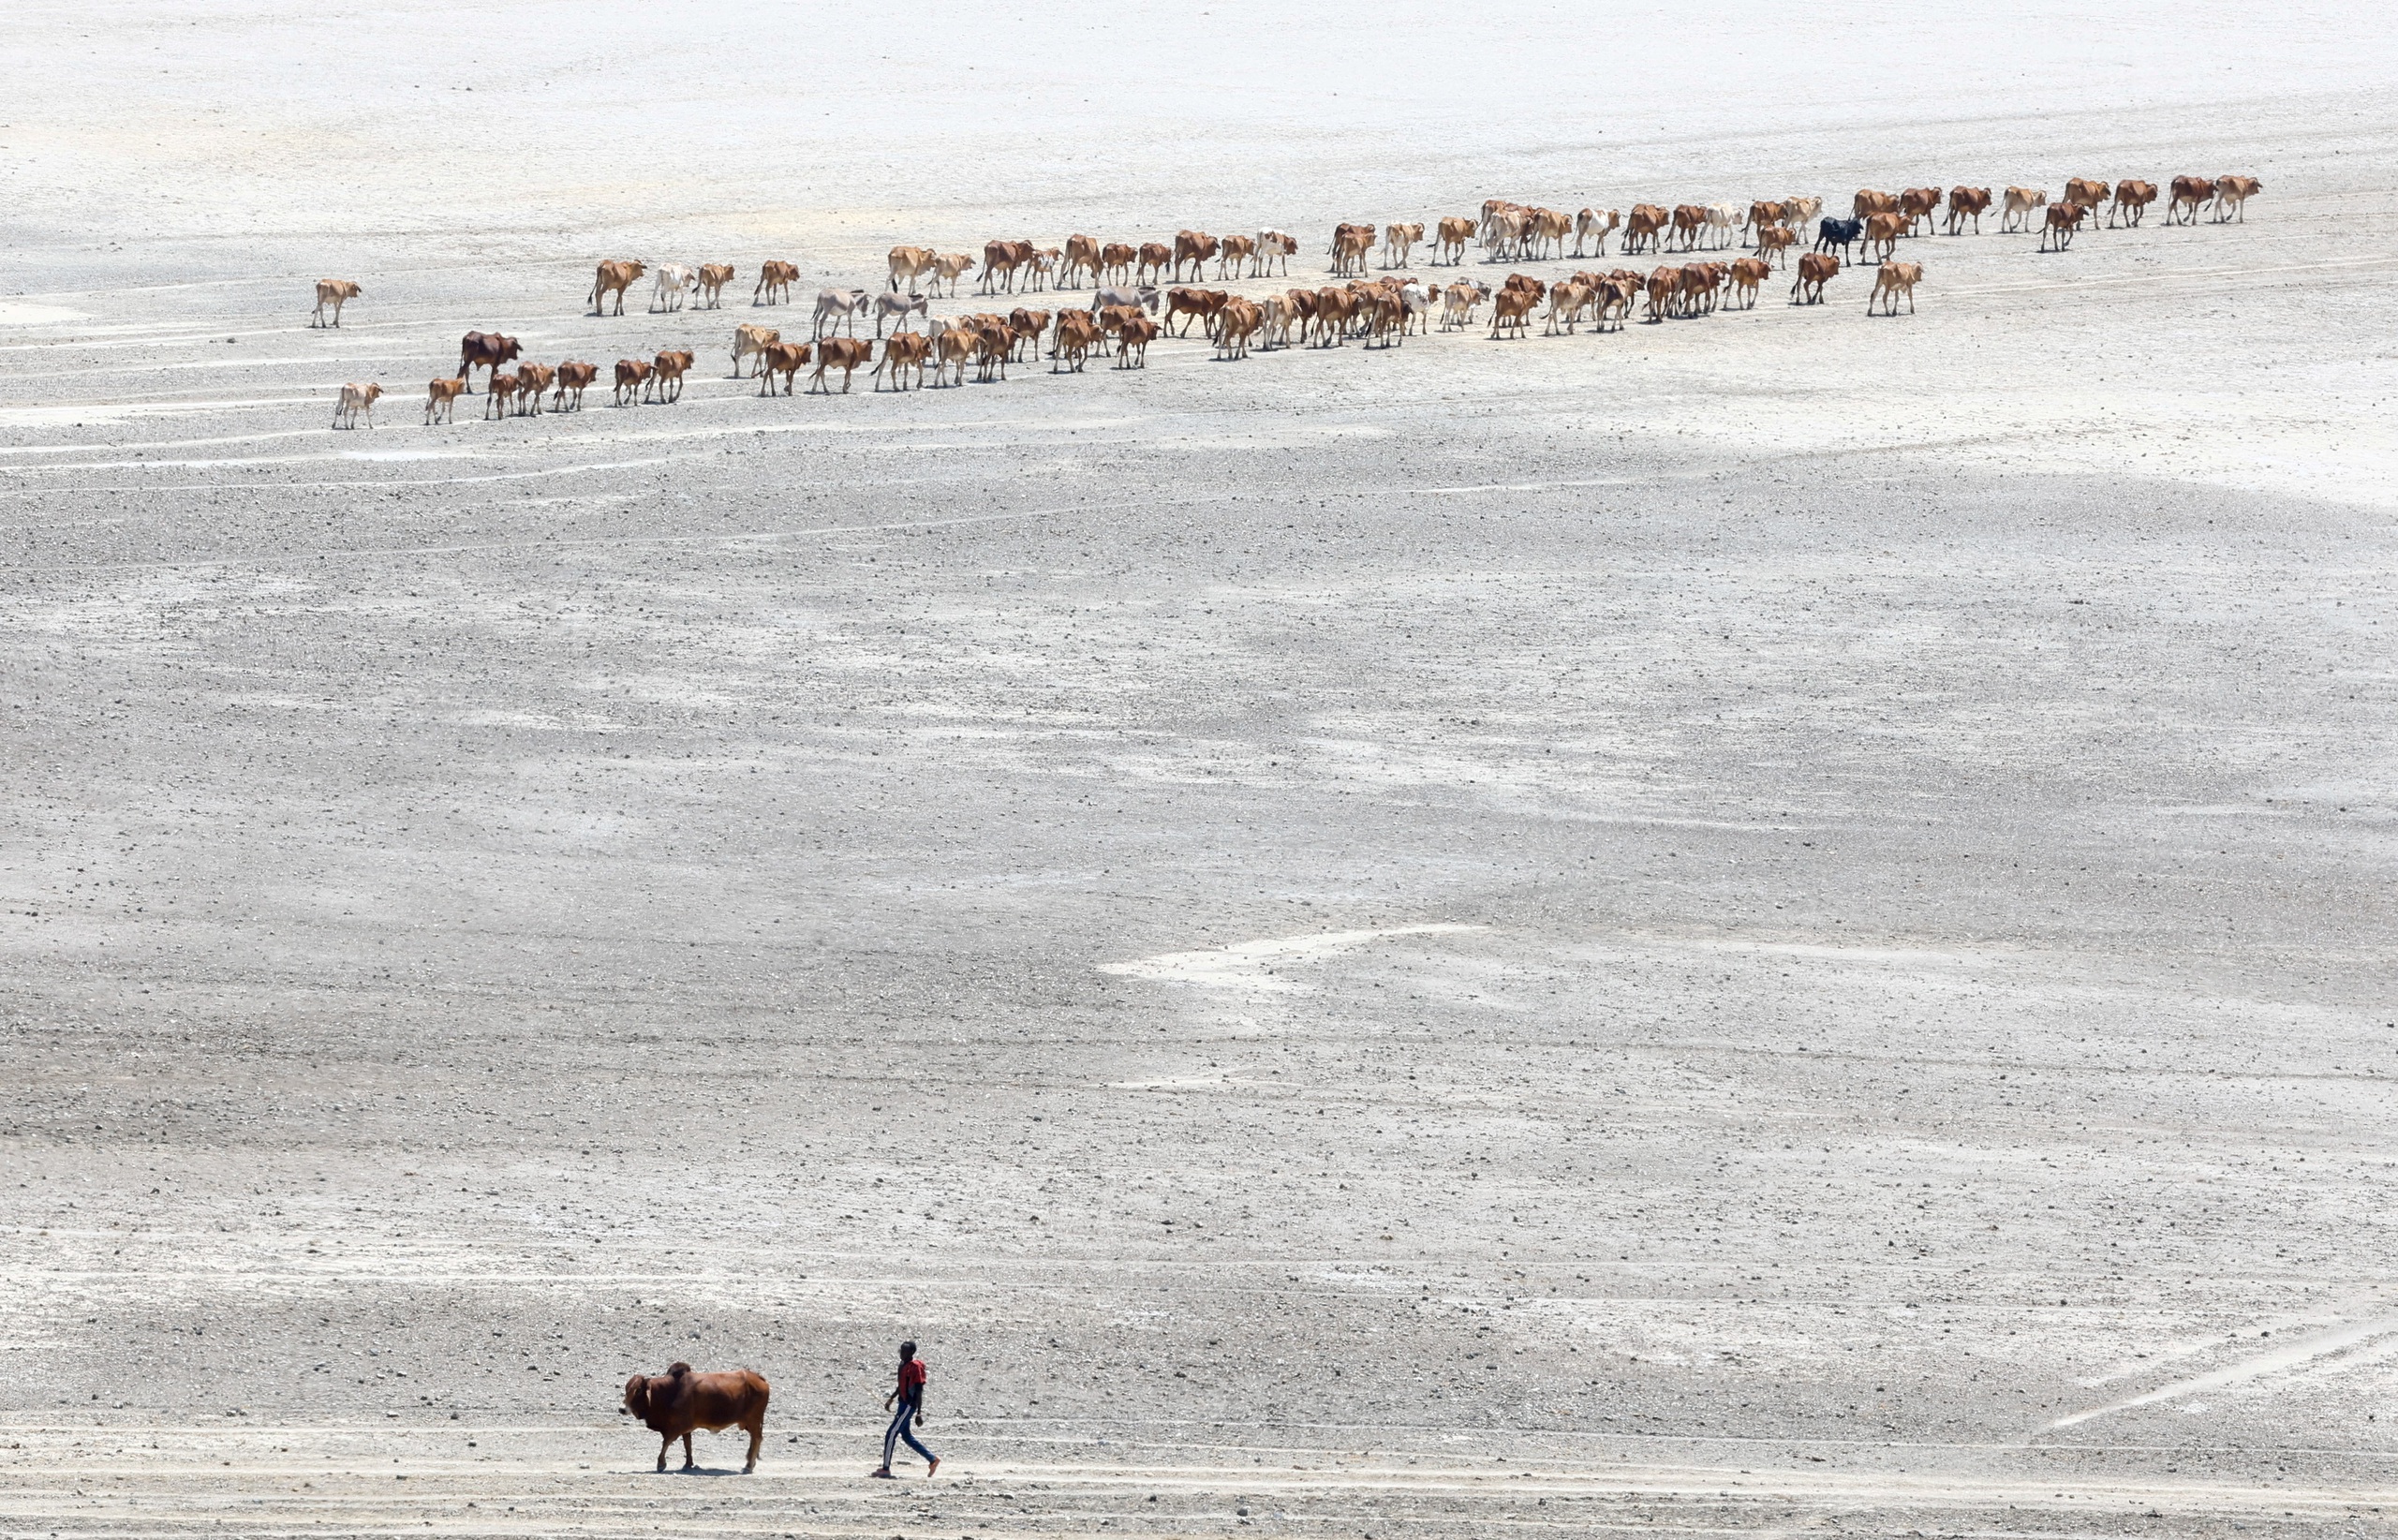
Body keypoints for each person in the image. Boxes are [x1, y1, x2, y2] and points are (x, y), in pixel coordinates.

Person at [871, 1340, 938, 1478]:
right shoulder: (903, 1365)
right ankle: (932, 1459)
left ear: (912, 1352)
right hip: (902, 1404)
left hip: (908, 1406)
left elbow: (919, 1391)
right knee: (906, 1436)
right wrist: (891, 1398)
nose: (901, 1353)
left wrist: (919, 1413)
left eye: (905, 1351)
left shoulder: (915, 1368)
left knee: (891, 1434)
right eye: (901, 1350)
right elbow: (901, 1385)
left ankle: (885, 1468)